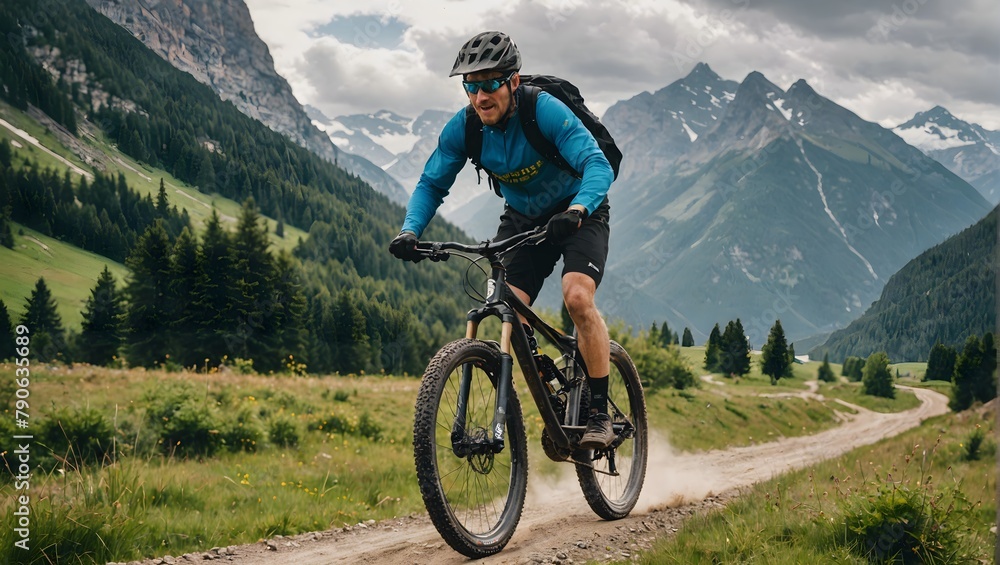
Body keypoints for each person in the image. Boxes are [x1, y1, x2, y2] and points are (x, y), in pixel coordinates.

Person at [389, 31, 616, 449]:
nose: (480, 95)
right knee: (505, 302)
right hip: (524, 220)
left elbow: (597, 165)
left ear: (512, 81)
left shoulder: (542, 110)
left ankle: (599, 414)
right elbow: (431, 183)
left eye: (490, 82)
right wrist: (410, 231)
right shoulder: (466, 127)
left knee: (578, 297)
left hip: (578, 211)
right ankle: (549, 383)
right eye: (470, 86)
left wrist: (579, 210)